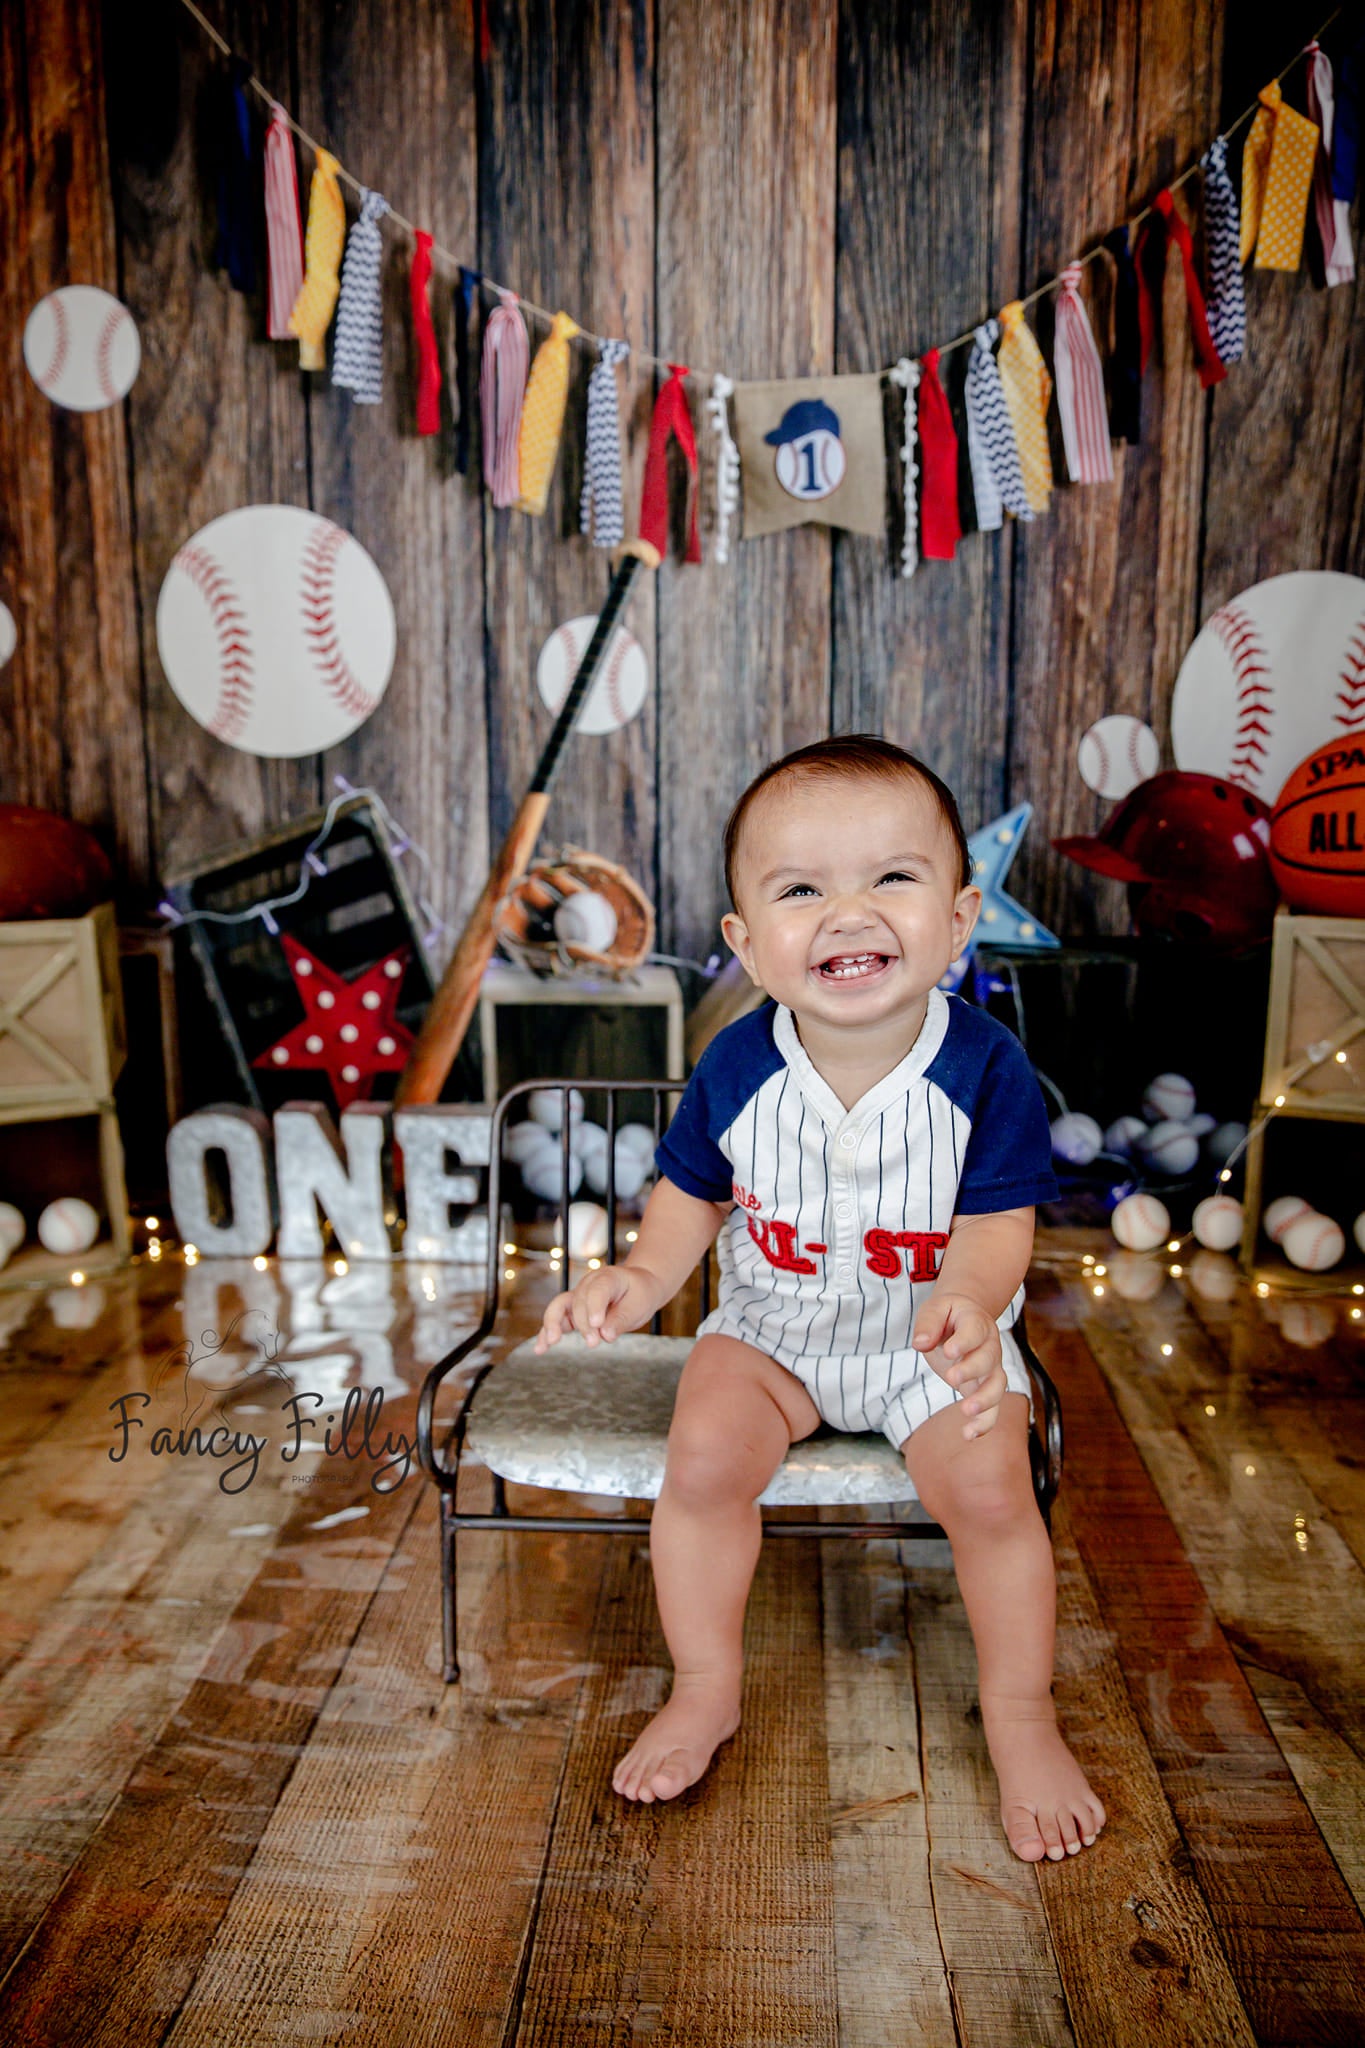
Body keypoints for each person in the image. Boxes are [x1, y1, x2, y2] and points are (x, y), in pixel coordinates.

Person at [535, 734, 1105, 1862]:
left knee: (994, 1494)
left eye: (891, 877)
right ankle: (705, 1684)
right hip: (774, 1331)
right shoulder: (738, 1067)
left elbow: (998, 1220)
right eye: (802, 889)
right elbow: (690, 1192)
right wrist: (645, 1274)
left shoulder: (984, 1066)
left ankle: (1021, 1713)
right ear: (748, 943)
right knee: (699, 1459)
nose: (849, 913)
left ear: (958, 915)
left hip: (930, 1338)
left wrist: (971, 1295)